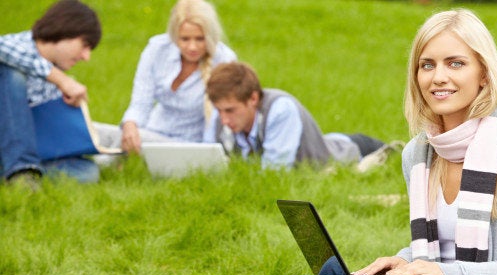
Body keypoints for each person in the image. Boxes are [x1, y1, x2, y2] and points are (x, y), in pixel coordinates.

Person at [282, 9, 497, 275]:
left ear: (483, 73)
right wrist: (404, 261)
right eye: (427, 65)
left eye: (456, 63)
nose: (439, 77)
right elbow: (437, 250)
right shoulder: (418, 154)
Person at [94, 0, 237, 155]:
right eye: (185, 39)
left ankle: (103, 167)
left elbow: (220, 118)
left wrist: (211, 154)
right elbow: (141, 102)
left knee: (125, 139)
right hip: (153, 131)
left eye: (200, 39)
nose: (192, 47)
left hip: (190, 144)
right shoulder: (157, 49)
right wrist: (130, 124)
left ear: (210, 36)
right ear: (175, 36)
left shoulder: (224, 60)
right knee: (94, 130)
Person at [203, 61, 401, 170]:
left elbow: (274, 172)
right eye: (219, 110)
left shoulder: (279, 108)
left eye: (230, 110)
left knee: (403, 161)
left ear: (253, 98)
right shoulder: (223, 117)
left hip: (353, 150)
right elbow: (206, 161)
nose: (223, 119)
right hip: (329, 140)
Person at [0, 0, 102, 186]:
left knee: (87, 171)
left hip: (22, 151)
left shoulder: (55, 76)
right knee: (12, 72)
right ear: (65, 30)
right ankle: (21, 171)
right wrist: (61, 80)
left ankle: (19, 173)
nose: (86, 57)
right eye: (85, 45)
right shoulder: (15, 47)